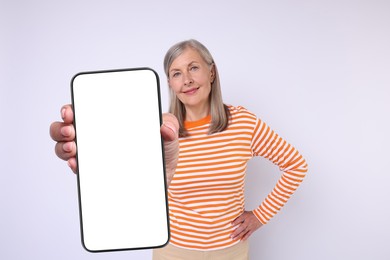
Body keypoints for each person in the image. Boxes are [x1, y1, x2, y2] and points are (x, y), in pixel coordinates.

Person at [50, 39, 308, 260]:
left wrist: (259, 216)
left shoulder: (244, 123)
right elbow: (135, 189)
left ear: (211, 72)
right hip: (173, 250)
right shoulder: (161, 131)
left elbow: (296, 166)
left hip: (230, 250)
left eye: (193, 67)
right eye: (176, 73)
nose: (186, 80)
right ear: (170, 84)